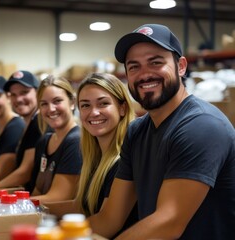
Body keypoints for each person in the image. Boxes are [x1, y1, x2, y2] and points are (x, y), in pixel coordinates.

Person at [92, 23, 235, 239]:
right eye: (134, 67)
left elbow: (168, 223)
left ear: (181, 66)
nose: (144, 75)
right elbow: (110, 218)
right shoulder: (137, 131)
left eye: (156, 62)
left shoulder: (201, 126)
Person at [45, 73, 138, 238]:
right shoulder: (95, 158)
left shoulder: (123, 160)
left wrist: (55, 233)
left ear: (122, 108)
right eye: (86, 105)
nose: (94, 113)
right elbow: (82, 206)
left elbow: (107, 223)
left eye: (103, 104)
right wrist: (33, 207)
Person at [30, 75, 82, 202]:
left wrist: (16, 204)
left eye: (57, 101)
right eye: (44, 104)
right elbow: (37, 190)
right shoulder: (44, 141)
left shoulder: (76, 141)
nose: (51, 109)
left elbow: (59, 197)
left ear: (72, 103)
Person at [0, 70, 42, 192]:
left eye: (24, 92)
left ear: (38, 93)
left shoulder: (38, 122)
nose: (19, 99)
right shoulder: (29, 123)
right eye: (13, 95)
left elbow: (25, 172)